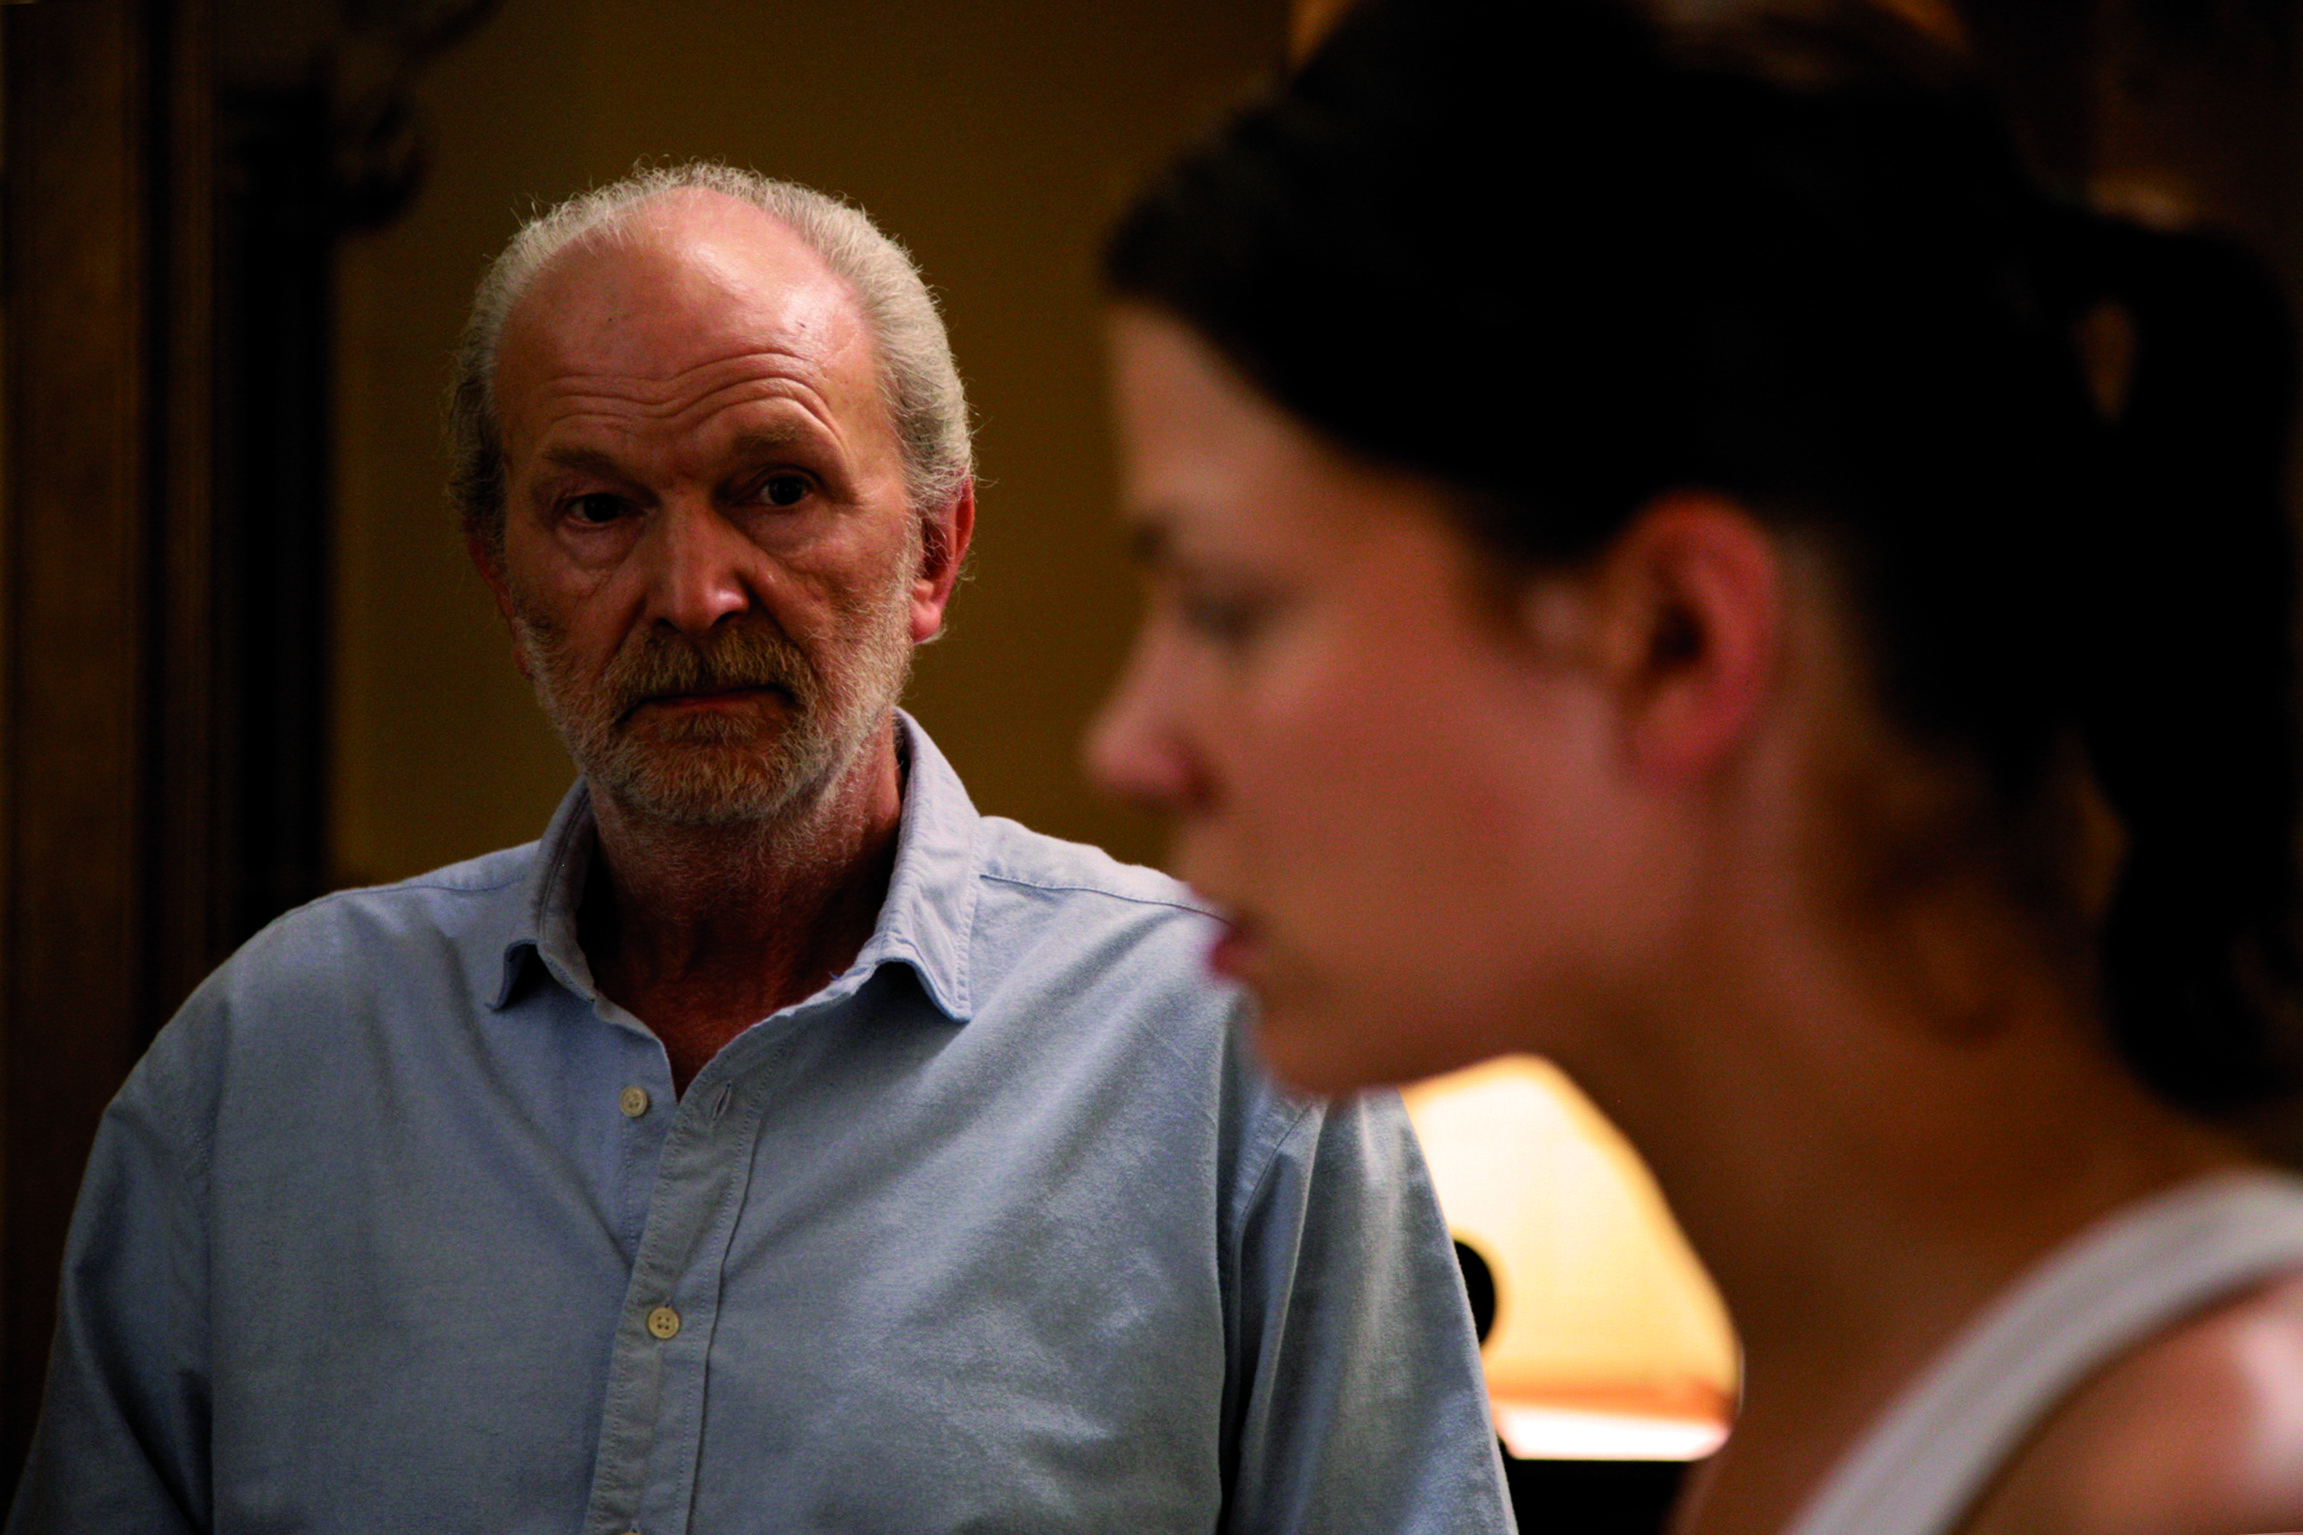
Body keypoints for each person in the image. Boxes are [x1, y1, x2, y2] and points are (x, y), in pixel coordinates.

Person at [8, 162, 1511, 1534]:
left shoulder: (1232, 1059)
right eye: (598, 508)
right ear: (503, 579)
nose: (692, 593)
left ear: (934, 554)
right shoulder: (267, 1069)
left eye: (777, 490)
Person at [1087, 2, 2303, 1532]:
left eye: (1224, 607)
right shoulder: (1824, 1414)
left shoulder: (2204, 1480)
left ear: (1671, 639)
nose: (1129, 743)